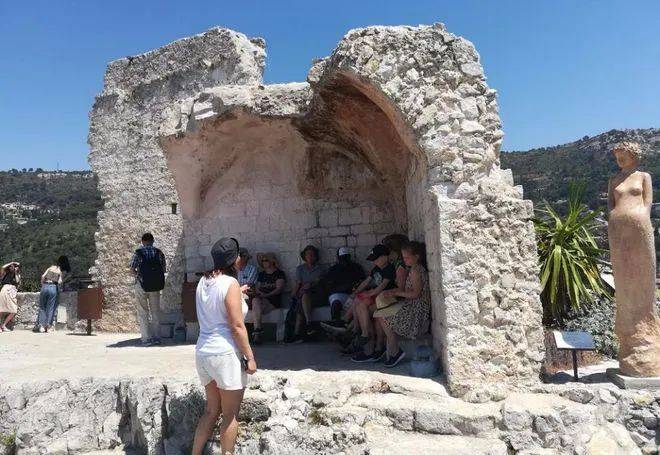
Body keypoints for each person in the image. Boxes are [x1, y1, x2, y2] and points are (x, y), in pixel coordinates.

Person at [191, 237, 256, 455]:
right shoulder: (230, 283)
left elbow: (215, 305)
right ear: (234, 259)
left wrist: (238, 293)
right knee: (230, 414)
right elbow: (237, 326)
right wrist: (250, 357)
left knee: (211, 411)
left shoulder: (203, 281)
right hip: (224, 353)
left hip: (203, 351)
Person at [374, 241, 431, 368]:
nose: (404, 260)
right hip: (411, 305)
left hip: (416, 310)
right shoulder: (413, 269)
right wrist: (394, 292)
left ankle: (395, 351)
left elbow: (416, 294)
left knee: (381, 315)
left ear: (416, 257)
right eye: (403, 257)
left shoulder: (416, 271)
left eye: (407, 257)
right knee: (379, 313)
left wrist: (397, 293)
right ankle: (391, 349)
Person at [349, 244, 397, 362]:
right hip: (377, 299)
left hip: (386, 299)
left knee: (366, 310)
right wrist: (357, 292)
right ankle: (367, 339)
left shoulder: (389, 269)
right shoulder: (376, 268)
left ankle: (368, 341)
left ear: (385, 257)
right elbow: (366, 281)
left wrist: (368, 294)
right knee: (361, 307)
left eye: (376, 259)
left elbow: (382, 286)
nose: (374, 262)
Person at [129, 233, 166, 346]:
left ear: (142, 241)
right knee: (155, 312)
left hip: (141, 285)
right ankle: (157, 338)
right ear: (153, 241)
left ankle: (146, 339)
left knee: (143, 312)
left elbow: (132, 270)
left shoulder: (138, 253)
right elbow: (163, 269)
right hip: (155, 286)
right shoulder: (159, 253)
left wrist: (139, 275)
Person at [320, 247, 366, 330]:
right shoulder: (333, 269)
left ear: (349, 257)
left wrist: (355, 288)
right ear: (338, 258)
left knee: (358, 303)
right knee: (336, 303)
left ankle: (348, 328)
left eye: (346, 258)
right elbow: (328, 286)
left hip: (354, 294)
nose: (344, 261)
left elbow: (363, 281)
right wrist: (343, 288)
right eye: (342, 258)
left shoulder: (357, 267)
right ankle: (335, 324)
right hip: (338, 294)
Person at [288, 245, 325, 343]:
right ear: (304, 256)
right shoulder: (300, 269)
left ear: (316, 256)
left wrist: (309, 284)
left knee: (303, 298)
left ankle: (297, 334)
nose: (310, 256)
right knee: (302, 300)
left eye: (312, 254)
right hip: (303, 295)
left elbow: (318, 281)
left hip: (317, 295)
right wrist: (293, 295)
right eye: (308, 254)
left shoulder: (320, 269)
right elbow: (298, 283)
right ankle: (308, 326)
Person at [251, 252, 286, 344]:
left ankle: (257, 334)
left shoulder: (279, 273)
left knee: (256, 306)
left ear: (272, 261)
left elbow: (279, 289)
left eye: (266, 260)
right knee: (255, 300)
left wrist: (266, 295)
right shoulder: (261, 274)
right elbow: (257, 288)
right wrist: (260, 294)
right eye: (262, 261)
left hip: (273, 300)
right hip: (261, 299)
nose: (264, 262)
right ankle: (258, 330)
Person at [36, 256, 69, 333]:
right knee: (51, 308)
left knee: (42, 307)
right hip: (53, 287)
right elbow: (60, 282)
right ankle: (48, 326)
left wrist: (42, 284)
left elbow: (43, 276)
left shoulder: (50, 268)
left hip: (45, 286)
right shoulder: (59, 271)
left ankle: (41, 326)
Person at [48, 256, 71, 329]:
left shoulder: (58, 269)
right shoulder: (68, 271)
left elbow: (57, 280)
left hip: (56, 288)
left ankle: (51, 324)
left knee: (52, 306)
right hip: (64, 289)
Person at [0, 262, 21, 332]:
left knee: (14, 310)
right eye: (13, 266)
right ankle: (0, 326)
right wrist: (12, 262)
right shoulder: (5, 273)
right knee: (1, 309)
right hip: (5, 289)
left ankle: (3, 325)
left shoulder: (18, 275)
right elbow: (3, 267)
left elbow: (17, 281)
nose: (14, 267)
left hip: (13, 291)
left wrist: (16, 273)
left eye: (16, 266)